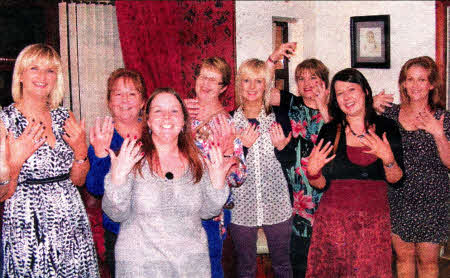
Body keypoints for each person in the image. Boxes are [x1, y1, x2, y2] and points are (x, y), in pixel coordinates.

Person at [102, 88, 232, 277]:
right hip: (141, 268)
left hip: (189, 268)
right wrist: (118, 178)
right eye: (158, 111)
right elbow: (115, 214)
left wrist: (218, 183)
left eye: (174, 111)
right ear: (147, 120)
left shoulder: (199, 161)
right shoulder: (131, 158)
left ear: (183, 120)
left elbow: (208, 212)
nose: (166, 117)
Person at [0, 44, 99, 276]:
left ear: (57, 78)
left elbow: (78, 181)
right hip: (28, 224)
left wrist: (81, 151)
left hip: (70, 220)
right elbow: (2, 194)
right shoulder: (5, 120)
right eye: (34, 68)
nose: (42, 76)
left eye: (50, 70)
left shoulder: (66, 116)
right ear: (21, 75)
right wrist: (15, 163)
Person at [305, 68, 404, 277]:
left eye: (351, 90)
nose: (346, 97)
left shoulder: (387, 127)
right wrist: (313, 174)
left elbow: (396, 180)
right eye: (340, 93)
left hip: (373, 224)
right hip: (333, 224)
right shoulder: (331, 130)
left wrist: (388, 159)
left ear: (366, 92)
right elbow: (322, 184)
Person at [378, 56, 449, 278]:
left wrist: (438, 134)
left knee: (428, 263)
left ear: (431, 84)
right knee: (403, 257)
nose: (415, 85)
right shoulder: (390, 114)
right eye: (410, 79)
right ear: (403, 83)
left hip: (432, 198)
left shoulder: (443, 118)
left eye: (421, 80)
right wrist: (371, 103)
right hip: (398, 195)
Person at [184, 56, 248, 278]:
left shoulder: (228, 123)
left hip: (209, 214)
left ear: (224, 88)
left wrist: (229, 153)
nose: (206, 83)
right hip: (177, 207)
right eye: (203, 76)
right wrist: (175, 113)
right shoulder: (181, 113)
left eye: (214, 80)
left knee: (209, 269)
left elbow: (238, 178)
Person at [230, 58, 292, 277]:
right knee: (245, 268)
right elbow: (228, 172)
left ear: (266, 85)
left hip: (277, 202)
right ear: (239, 84)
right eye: (246, 81)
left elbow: (289, 163)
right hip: (241, 206)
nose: (252, 87)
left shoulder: (280, 117)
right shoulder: (229, 121)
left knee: (282, 265)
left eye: (258, 81)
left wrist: (283, 149)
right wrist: (242, 148)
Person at [272, 58, 331, 278]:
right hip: (298, 198)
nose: (306, 83)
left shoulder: (337, 110)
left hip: (327, 195)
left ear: (324, 82)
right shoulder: (292, 104)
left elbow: (340, 142)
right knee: (300, 264)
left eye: (313, 77)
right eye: (300, 78)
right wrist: (272, 60)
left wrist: (324, 109)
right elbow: (259, 90)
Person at [86, 68, 147, 277]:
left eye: (132, 94)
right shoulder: (104, 134)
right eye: (118, 94)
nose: (124, 100)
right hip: (119, 231)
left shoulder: (155, 132)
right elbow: (94, 188)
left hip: (157, 230)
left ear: (142, 102)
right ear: (109, 101)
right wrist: (101, 155)